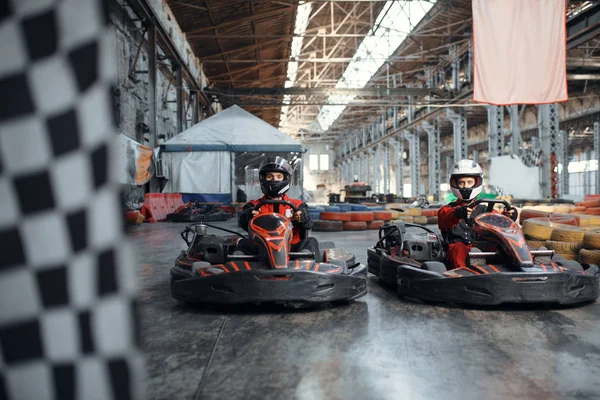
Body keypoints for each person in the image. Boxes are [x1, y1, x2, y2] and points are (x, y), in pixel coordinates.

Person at [438, 159, 516, 270]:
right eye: (462, 183)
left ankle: (523, 263)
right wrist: (458, 213)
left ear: (477, 182)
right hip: (458, 250)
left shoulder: (484, 210)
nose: (465, 186)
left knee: (501, 245)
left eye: (469, 182)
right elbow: (445, 218)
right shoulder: (447, 209)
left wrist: (508, 216)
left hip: (481, 248)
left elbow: (498, 220)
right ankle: (469, 269)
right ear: (455, 184)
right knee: (459, 248)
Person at [238, 156, 319, 256]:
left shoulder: (297, 205)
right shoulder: (254, 205)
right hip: (262, 249)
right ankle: (239, 264)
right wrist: (248, 216)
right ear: (263, 179)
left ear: (286, 179)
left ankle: (303, 260)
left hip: (291, 250)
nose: (274, 180)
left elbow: (308, 224)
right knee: (240, 242)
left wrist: (302, 217)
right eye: (270, 176)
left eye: (278, 177)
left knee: (311, 241)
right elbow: (242, 222)